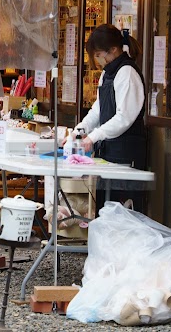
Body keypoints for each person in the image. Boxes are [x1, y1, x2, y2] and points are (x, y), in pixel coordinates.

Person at [68, 24, 147, 208]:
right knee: (106, 206)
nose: (97, 60)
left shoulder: (127, 73)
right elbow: (98, 109)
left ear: (113, 50)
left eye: (98, 55)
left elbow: (124, 118)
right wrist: (79, 131)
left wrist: (94, 136)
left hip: (126, 154)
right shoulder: (107, 74)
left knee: (122, 210)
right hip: (109, 152)